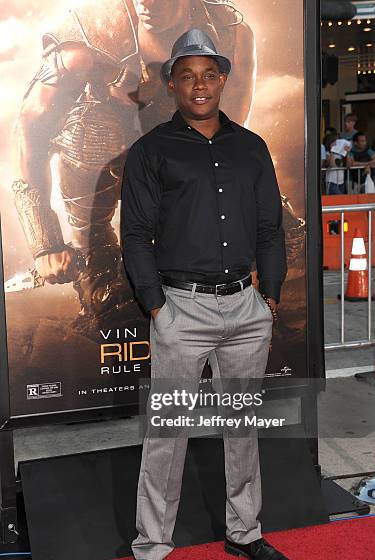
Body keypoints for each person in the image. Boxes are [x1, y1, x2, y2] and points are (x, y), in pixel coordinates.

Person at [120, 28, 296, 560]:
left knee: (241, 429)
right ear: (171, 83)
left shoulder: (251, 148)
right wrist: (156, 305)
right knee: (167, 435)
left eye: (210, 74)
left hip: (245, 309)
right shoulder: (151, 152)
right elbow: (137, 236)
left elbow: (270, 227)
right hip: (180, 309)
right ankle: (150, 549)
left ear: (223, 79)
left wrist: (268, 295)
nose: (200, 85)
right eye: (187, 75)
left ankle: (245, 533)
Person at [12, 0, 255, 335]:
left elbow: (229, 131)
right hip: (98, 169)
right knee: (117, 312)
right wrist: (46, 242)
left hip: (179, 174)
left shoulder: (230, 33)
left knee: (280, 247)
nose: (147, 3)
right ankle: (94, 250)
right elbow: (29, 131)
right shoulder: (82, 42)